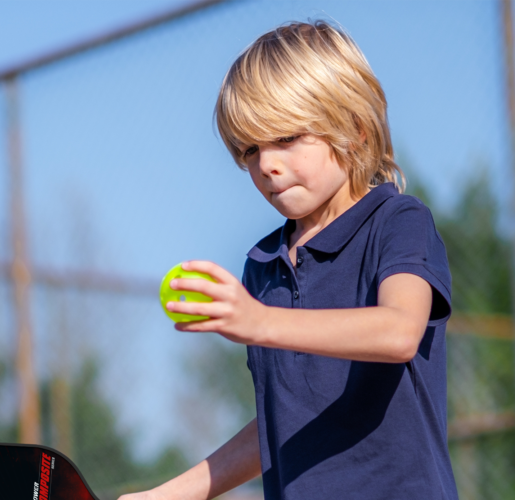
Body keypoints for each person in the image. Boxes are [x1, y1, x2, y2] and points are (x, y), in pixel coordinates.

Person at [120, 20, 457, 500]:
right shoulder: (262, 267)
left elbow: (399, 331)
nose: (266, 165)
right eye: (250, 149)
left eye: (286, 138)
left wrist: (259, 321)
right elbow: (281, 423)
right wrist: (165, 495)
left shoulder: (398, 221)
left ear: (354, 130)